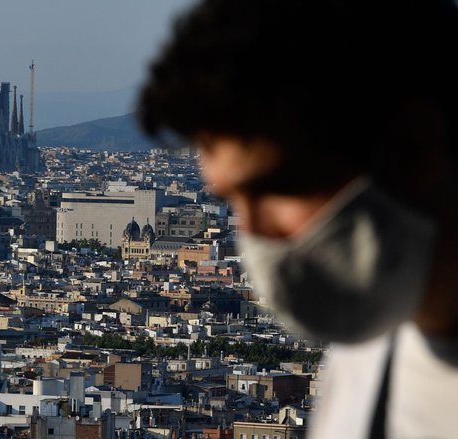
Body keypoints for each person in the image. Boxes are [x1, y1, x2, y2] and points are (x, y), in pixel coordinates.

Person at [138, 0, 458, 437]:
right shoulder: (362, 362)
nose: (255, 234)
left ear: (414, 149)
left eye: (278, 188)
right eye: (234, 200)